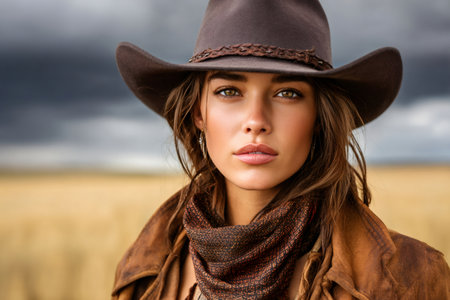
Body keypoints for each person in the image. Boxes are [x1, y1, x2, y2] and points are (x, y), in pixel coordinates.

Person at [111, 0, 450, 299]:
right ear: (199, 113)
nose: (256, 121)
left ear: (318, 115)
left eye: (287, 93)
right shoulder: (143, 272)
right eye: (229, 91)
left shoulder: (409, 279)